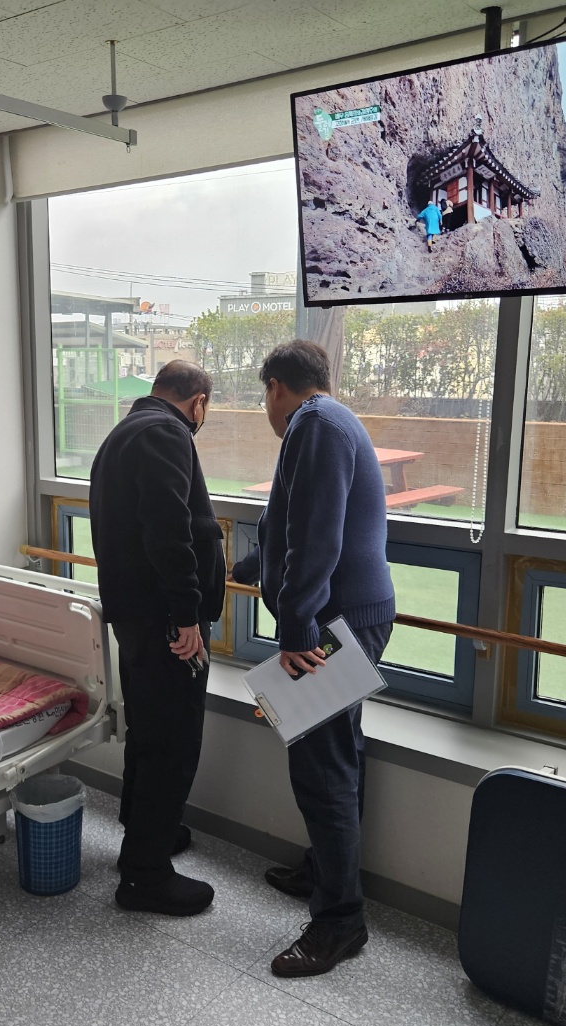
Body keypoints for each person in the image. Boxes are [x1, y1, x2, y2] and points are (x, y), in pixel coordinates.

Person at [231, 340, 396, 977]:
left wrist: (295, 628)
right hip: (345, 615)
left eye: (263, 397)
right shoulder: (327, 420)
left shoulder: (316, 425)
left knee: (320, 770)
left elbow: (318, 538)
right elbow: (292, 521)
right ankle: (327, 874)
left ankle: (339, 922)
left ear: (276, 386)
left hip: (334, 622)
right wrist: (250, 566)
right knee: (338, 754)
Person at [88, 360, 226, 917]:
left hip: (137, 618)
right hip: (167, 622)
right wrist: (187, 615)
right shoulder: (166, 433)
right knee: (173, 742)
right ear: (199, 403)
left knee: (149, 731)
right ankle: (145, 877)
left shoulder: (123, 433)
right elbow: (170, 532)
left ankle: (146, 833)